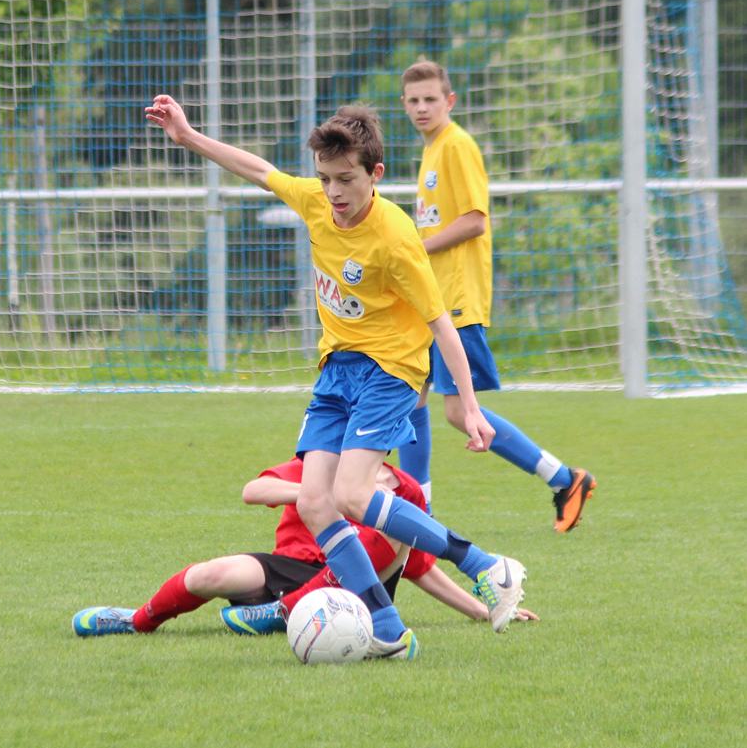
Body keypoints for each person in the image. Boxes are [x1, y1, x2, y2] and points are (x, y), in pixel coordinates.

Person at [146, 94, 526, 660]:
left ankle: (486, 565)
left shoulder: (396, 238)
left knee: (352, 493)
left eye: (346, 179)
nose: (334, 193)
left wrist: (468, 407)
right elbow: (258, 168)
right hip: (336, 370)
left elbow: (443, 326)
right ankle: (390, 629)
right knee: (318, 503)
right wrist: (188, 135)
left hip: (391, 372)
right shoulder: (317, 202)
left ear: (374, 174)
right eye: (325, 179)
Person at [399, 59, 596, 530]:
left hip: (456, 297)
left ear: (450, 101)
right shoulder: (430, 152)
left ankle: (564, 478)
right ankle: (418, 509)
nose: (422, 107)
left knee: (453, 409)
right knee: (411, 398)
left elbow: (475, 221)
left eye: (431, 99)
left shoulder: (456, 146)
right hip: (431, 297)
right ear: (403, 105)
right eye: (414, 100)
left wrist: (413, 250)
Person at [72, 458, 537, 638]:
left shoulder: (405, 491)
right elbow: (253, 491)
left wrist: (483, 611)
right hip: (291, 568)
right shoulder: (314, 465)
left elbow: (418, 566)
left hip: (357, 586)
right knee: (207, 576)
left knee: (398, 527)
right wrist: (318, 495)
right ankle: (135, 620)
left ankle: (282, 613)